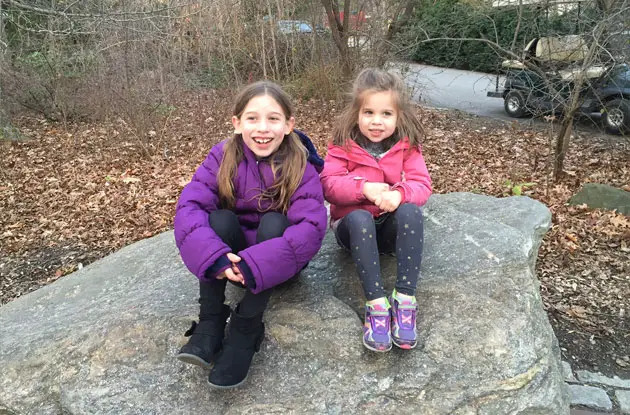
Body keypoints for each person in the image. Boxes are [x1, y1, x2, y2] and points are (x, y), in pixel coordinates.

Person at [173, 81, 327, 388]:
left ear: (288, 125)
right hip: (231, 259)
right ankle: (211, 322)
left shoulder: (301, 164)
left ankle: (246, 328)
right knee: (216, 219)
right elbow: (190, 206)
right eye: (252, 118)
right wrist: (215, 258)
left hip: (279, 262)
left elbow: (311, 227)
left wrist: (254, 265)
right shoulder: (222, 156)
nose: (263, 128)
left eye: (273, 119)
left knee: (273, 224)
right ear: (237, 123)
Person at [320, 68, 432, 352]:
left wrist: (400, 194)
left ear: (399, 116)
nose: (376, 122)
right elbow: (329, 185)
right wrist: (363, 189)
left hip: (387, 228)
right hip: (353, 229)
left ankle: (404, 299)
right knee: (358, 217)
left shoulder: (407, 147)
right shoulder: (343, 144)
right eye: (368, 112)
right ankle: (376, 305)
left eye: (386, 114)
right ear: (356, 113)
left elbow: (421, 184)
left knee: (411, 213)